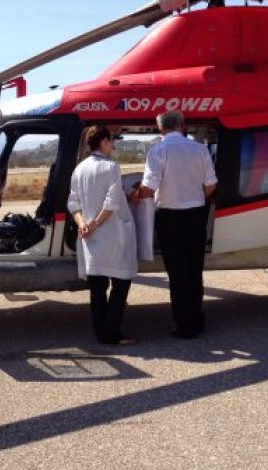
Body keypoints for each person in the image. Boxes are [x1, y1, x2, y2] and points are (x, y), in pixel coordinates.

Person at [132, 110, 217, 338]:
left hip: (170, 218)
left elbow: (149, 188)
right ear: (182, 125)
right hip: (196, 215)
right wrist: (195, 197)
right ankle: (197, 320)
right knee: (194, 270)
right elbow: (211, 185)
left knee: (177, 273)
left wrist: (135, 194)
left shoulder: (158, 151)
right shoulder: (200, 149)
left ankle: (184, 324)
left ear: (161, 129)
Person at [68, 125, 138, 345]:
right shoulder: (111, 167)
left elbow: (73, 202)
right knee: (121, 282)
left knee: (97, 286)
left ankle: (101, 332)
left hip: (89, 237)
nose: (113, 146)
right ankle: (112, 332)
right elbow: (112, 202)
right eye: (111, 141)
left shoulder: (79, 169)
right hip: (111, 234)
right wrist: (95, 224)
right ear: (104, 142)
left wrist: (83, 224)